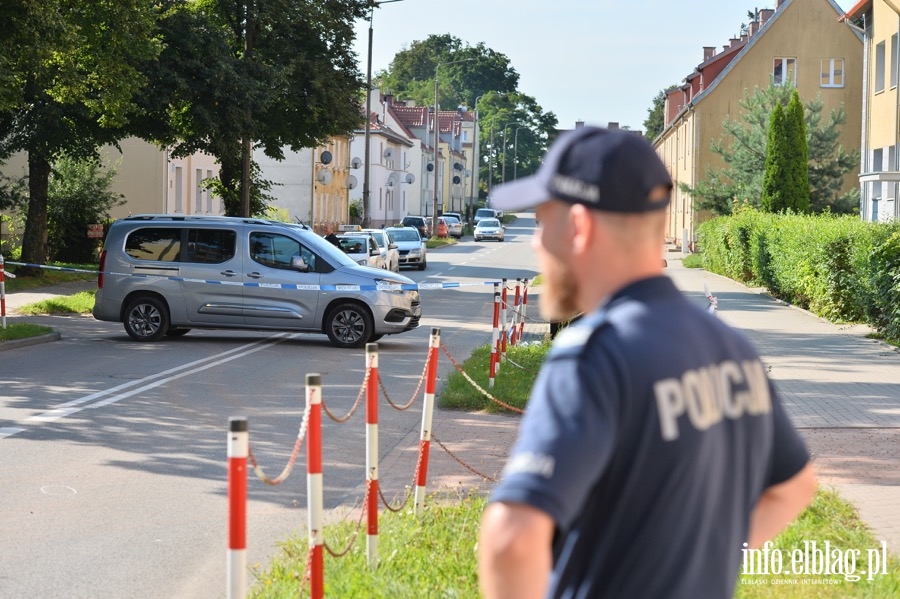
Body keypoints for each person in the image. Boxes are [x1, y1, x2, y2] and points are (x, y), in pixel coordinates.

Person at [477, 126, 816, 599]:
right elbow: (793, 488)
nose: (536, 243)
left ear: (579, 227)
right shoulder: (731, 348)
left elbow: (512, 541)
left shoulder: (593, 356)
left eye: (541, 221)